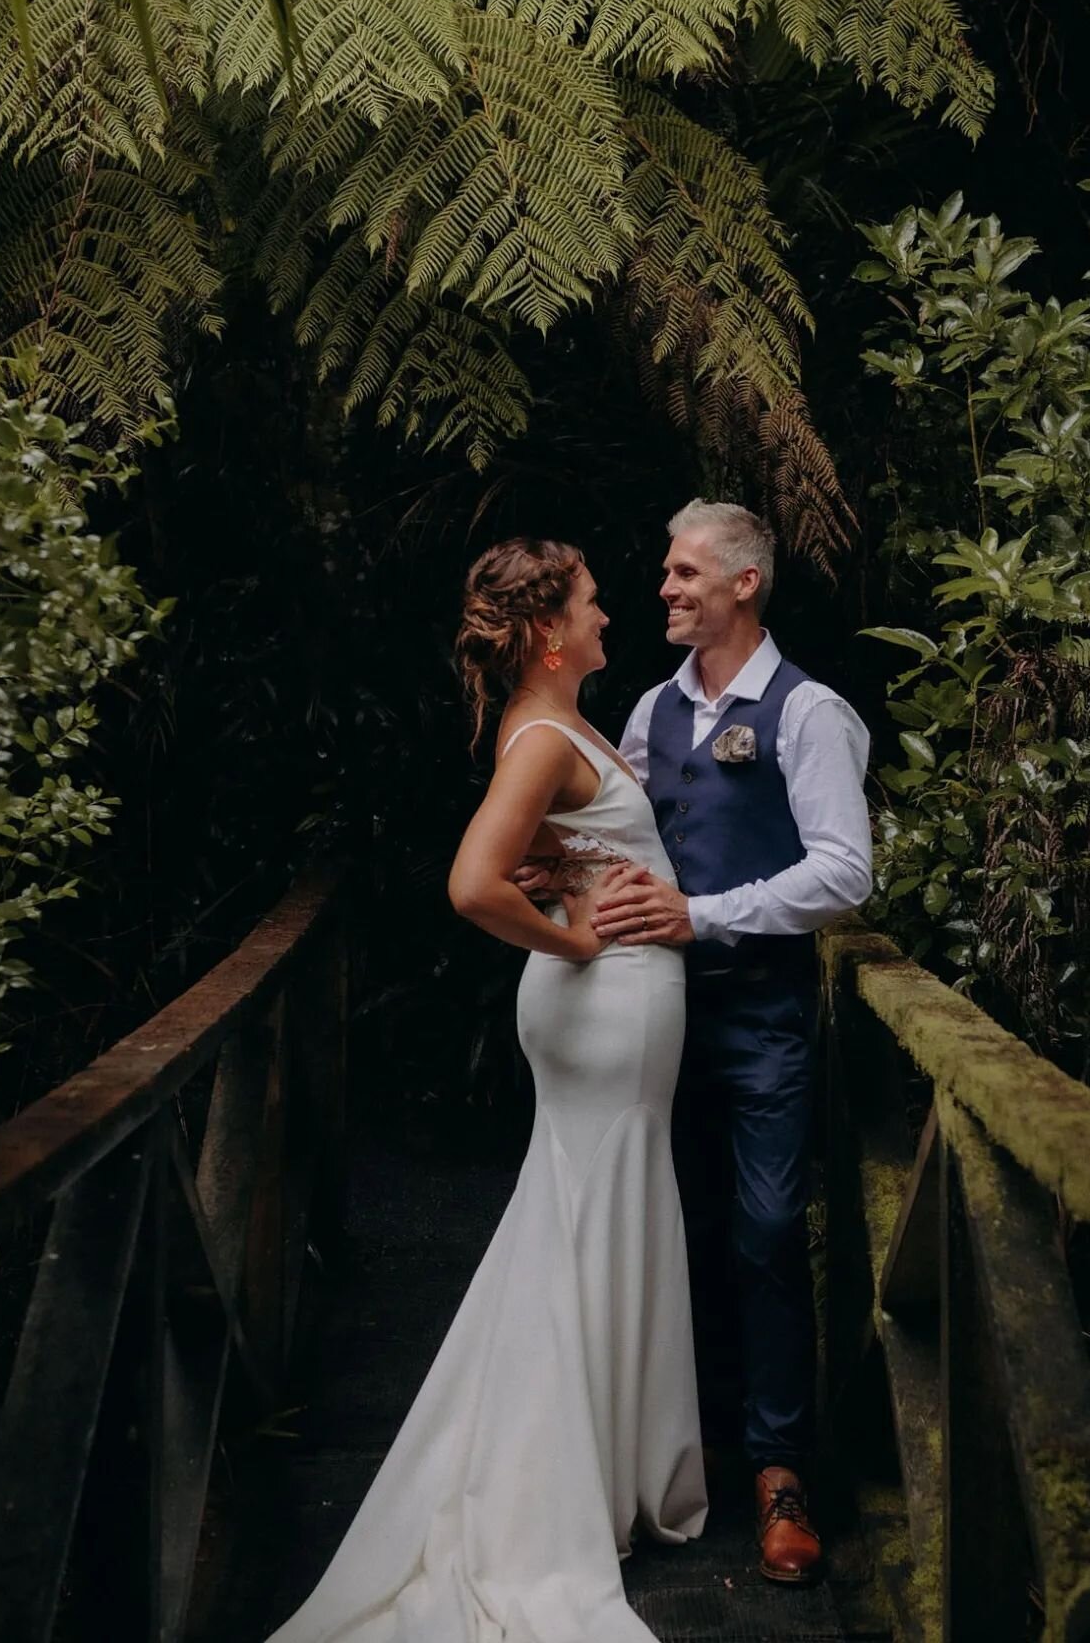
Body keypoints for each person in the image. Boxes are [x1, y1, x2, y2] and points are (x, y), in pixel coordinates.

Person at [266, 538, 706, 1643]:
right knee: (584, 1225)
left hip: (612, 1015)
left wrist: (563, 890)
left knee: (586, 1224)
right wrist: (570, 942)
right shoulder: (546, 736)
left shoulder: (551, 729)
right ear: (550, 632)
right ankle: (555, 1495)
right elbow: (471, 883)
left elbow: (536, 854)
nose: (614, 615)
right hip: (600, 1008)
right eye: (597, 603)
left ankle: (595, 1471)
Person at [587, 500, 872, 1584]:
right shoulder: (651, 710)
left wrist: (702, 916)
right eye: (666, 570)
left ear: (745, 584)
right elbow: (619, 843)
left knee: (763, 1231)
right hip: (655, 1016)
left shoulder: (809, 715)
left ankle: (781, 1471)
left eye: (685, 571)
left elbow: (845, 871)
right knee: (676, 1227)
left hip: (761, 1020)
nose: (665, 586)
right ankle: (684, 1450)